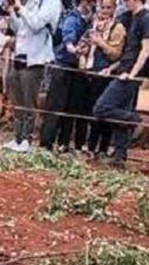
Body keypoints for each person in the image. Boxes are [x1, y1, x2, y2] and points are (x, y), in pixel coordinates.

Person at [89, 0, 149, 167]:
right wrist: (112, 68)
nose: (125, 3)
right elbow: (129, 52)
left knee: (101, 108)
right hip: (123, 71)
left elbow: (145, 50)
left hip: (130, 75)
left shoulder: (147, 19)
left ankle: (136, 120)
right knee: (120, 115)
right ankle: (120, 157)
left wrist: (132, 74)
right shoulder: (131, 17)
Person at [6, 0, 62, 152]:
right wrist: (11, 11)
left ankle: (27, 139)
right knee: (17, 98)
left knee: (29, 100)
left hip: (36, 58)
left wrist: (20, 8)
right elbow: (19, 28)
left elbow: (36, 25)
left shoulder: (51, 3)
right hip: (20, 55)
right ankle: (17, 137)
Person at [41, 0, 93, 152]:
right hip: (63, 67)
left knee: (71, 108)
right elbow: (68, 40)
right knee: (56, 107)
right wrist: (75, 50)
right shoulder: (72, 18)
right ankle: (46, 144)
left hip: (77, 70)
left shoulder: (90, 20)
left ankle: (63, 144)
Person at [80, 0, 127, 157]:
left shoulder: (118, 28)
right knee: (90, 110)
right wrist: (83, 50)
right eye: (102, 7)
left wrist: (101, 43)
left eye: (108, 8)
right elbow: (83, 43)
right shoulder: (93, 25)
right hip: (90, 71)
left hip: (106, 73)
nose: (105, 11)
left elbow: (116, 54)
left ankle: (102, 148)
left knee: (102, 111)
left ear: (114, 9)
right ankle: (90, 146)